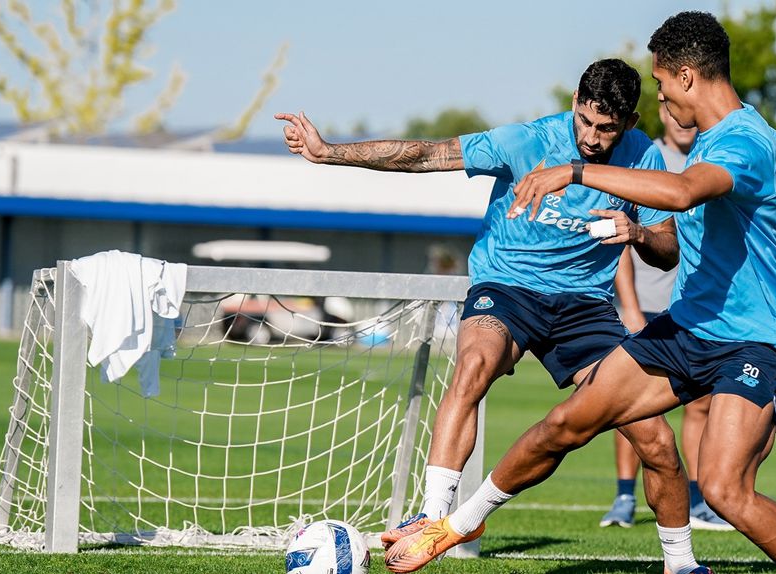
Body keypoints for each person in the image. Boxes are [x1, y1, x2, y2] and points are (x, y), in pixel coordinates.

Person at [383, 11, 776, 574]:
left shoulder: (744, 144)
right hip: (685, 330)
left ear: (687, 76)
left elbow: (683, 194)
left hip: (751, 342)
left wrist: (574, 173)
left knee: (728, 491)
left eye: (659, 85)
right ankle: (457, 524)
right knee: (568, 423)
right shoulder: (735, 135)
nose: (659, 102)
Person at [277, 59, 711, 574]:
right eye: (585, 122)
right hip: (507, 288)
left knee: (656, 438)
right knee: (474, 364)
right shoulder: (525, 141)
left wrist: (638, 233)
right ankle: (433, 516)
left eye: (607, 128)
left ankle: (681, 565)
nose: (592, 138)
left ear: (630, 124)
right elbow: (426, 154)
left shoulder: (646, 160)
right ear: (575, 102)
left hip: (584, 309)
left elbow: (668, 250)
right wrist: (329, 153)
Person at [602, 105, 776, 532]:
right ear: (661, 109)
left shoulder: (725, 148)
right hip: (654, 301)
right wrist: (632, 306)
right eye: (664, 99)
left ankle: (699, 498)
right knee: (626, 407)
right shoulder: (646, 157)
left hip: (704, 310)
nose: (676, 113)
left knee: (700, 411)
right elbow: (621, 235)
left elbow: (768, 213)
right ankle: (624, 496)